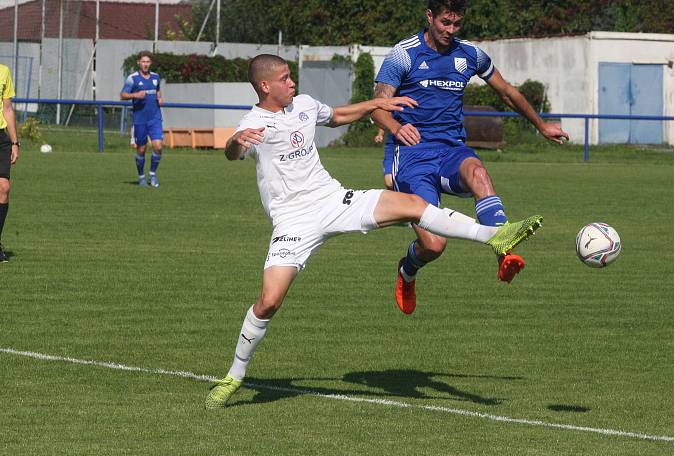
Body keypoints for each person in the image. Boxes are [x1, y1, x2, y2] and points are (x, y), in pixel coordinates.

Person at [205, 54, 543, 409]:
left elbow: (336, 116)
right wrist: (236, 140)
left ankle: (495, 236)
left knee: (412, 204)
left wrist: (377, 104)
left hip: (334, 199)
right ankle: (235, 375)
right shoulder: (253, 123)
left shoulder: (303, 105)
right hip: (292, 221)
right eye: (286, 78)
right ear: (265, 86)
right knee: (269, 302)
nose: (293, 83)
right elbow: (232, 153)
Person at [372, 0, 569, 314]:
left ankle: (504, 249)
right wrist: (395, 126)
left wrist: (541, 125)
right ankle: (407, 271)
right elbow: (377, 105)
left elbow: (506, 91)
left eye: (457, 24)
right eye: (445, 23)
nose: (451, 31)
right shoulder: (403, 54)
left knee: (477, 170)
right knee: (435, 245)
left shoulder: (470, 55)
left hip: (451, 151)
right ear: (429, 17)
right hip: (411, 158)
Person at [121, 51, 164, 188]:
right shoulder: (132, 78)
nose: (145, 64)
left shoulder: (156, 77)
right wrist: (135, 95)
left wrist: (160, 97)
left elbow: (157, 90)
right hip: (140, 120)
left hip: (155, 118)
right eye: (143, 61)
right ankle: (141, 177)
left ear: (150, 63)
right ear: (139, 62)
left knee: (158, 146)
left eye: (148, 62)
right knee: (141, 149)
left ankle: (152, 174)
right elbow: (122, 95)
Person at [0, 62, 19, 263]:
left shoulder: (4, 71)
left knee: (4, 187)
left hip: (1, 138)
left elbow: (7, 108)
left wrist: (15, 142)